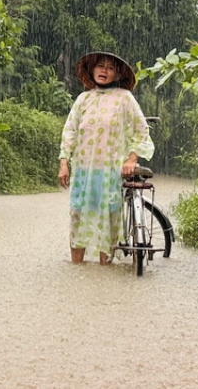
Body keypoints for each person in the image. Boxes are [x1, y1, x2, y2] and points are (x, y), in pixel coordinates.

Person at [58, 51, 153, 265]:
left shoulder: (124, 98)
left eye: (110, 68)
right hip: (83, 170)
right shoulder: (83, 99)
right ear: (91, 70)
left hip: (110, 171)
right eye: (100, 66)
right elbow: (70, 131)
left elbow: (141, 129)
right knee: (78, 216)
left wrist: (131, 159)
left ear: (117, 74)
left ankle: (105, 269)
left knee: (108, 221)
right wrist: (64, 162)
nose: (104, 71)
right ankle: (77, 268)